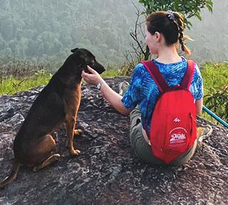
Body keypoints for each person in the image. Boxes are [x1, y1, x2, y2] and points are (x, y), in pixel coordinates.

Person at [81, 10, 204, 166]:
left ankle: (128, 93)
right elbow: (197, 111)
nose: (146, 39)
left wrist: (99, 82)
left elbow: (124, 108)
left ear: (157, 36)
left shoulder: (144, 71)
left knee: (136, 110)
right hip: (183, 153)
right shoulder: (193, 69)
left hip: (151, 153)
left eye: (147, 35)